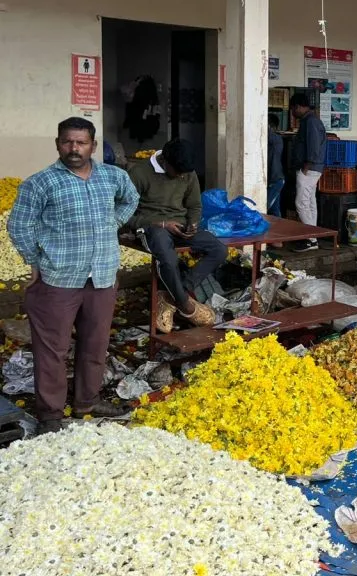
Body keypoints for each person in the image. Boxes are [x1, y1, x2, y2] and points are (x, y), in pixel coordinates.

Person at [7, 117, 140, 434]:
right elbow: (18, 225)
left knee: (95, 345)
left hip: (102, 278)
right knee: (52, 350)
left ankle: (86, 402)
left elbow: (131, 198)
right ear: (57, 144)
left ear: (93, 146)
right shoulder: (40, 183)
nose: (74, 148)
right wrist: (35, 260)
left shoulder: (112, 176)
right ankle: (51, 414)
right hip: (58, 279)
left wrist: (112, 224)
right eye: (67, 141)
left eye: (81, 142)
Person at [128, 139, 225, 332]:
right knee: (167, 256)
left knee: (219, 249)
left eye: (184, 172)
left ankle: (174, 294)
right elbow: (125, 214)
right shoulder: (138, 173)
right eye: (177, 171)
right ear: (165, 161)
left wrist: (193, 223)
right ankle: (184, 304)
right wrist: (161, 223)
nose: (181, 175)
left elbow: (195, 206)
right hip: (152, 228)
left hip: (180, 226)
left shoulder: (187, 173)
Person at [289, 93, 327, 252]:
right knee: (310, 202)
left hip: (309, 169)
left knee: (301, 203)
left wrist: (305, 168)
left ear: (298, 107)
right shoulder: (311, 121)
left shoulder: (310, 122)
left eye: (293, 109)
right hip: (313, 168)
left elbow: (313, 147)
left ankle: (310, 239)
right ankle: (313, 237)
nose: (292, 113)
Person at [267, 113, 285, 218]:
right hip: (273, 180)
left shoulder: (277, 139)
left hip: (276, 180)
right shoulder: (269, 142)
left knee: (265, 207)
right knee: (275, 210)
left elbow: (267, 134)